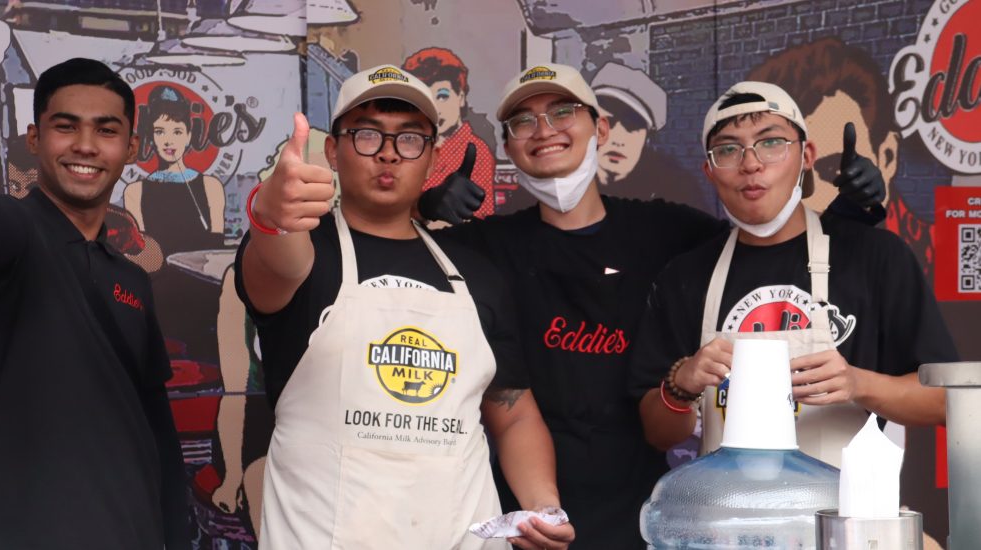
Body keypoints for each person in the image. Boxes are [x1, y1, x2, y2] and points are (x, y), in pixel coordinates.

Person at [418, 64, 887, 548]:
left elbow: (768, 243)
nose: (544, 130)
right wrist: (421, 211)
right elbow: (391, 249)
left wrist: (845, 218)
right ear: (508, 145)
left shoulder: (668, 230)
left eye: (562, 112)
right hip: (527, 507)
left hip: (644, 507)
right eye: (523, 121)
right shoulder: (485, 246)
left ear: (600, 129)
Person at [236, 64, 574, 550]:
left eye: (410, 138)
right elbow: (276, 257)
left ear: (433, 158)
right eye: (367, 134)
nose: (389, 152)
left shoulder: (478, 275)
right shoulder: (308, 253)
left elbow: (514, 411)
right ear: (332, 151)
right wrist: (269, 213)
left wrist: (543, 505)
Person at [0, 58, 188, 549]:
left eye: (106, 130)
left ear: (131, 147)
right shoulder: (15, 234)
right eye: (65, 127)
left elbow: (158, 430)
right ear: (34, 139)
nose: (85, 145)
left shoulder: (131, 279)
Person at [629, 82, 955, 469]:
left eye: (771, 143)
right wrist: (682, 384)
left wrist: (859, 383)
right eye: (728, 150)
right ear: (710, 172)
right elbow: (658, 434)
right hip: (727, 505)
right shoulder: (686, 276)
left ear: (806, 155)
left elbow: (946, 401)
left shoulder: (875, 257)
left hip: (841, 505)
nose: (751, 164)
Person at [590, 62, 710, 212]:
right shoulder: (569, 177)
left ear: (647, 137)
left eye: (632, 126)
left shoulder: (676, 188)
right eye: (608, 122)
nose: (618, 140)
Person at [122, 85, 225, 256]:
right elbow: (141, 253)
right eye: (160, 132)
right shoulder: (134, 192)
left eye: (177, 132)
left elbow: (217, 248)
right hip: (156, 272)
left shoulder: (211, 186)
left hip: (201, 272)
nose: (168, 141)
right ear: (151, 137)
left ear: (188, 136)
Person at [403, 47, 497, 219]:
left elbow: (477, 218)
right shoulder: (408, 147)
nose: (435, 109)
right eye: (426, 100)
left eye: (442, 96)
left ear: (460, 97)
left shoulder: (476, 151)